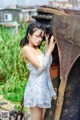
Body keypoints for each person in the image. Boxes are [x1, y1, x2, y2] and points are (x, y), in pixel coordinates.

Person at [20, 22, 56, 120]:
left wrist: (48, 43)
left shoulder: (37, 49)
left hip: (43, 89)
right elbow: (40, 67)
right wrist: (49, 51)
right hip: (35, 89)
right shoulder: (26, 49)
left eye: (41, 37)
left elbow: (47, 63)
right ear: (29, 35)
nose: (39, 39)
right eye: (37, 36)